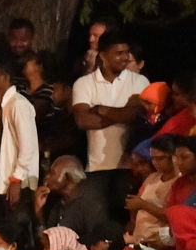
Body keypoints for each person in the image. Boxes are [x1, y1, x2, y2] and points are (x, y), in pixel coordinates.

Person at [71, 27, 149, 209]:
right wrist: (124, 113)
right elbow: (82, 121)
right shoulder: (84, 84)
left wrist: (101, 109)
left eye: (127, 52)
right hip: (96, 167)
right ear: (103, 56)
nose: (125, 57)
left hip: (130, 167)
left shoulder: (139, 81)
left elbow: (137, 115)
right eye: (119, 53)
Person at [0, 56, 40, 213]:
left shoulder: (18, 104)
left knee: (16, 225)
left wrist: (16, 178)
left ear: (5, 77)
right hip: (5, 176)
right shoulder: (2, 104)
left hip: (18, 180)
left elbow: (28, 145)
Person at [34, 156, 110, 238]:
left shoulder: (91, 205)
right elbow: (47, 240)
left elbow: (96, 244)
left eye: (52, 173)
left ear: (67, 177)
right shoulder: (56, 200)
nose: (47, 177)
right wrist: (38, 211)